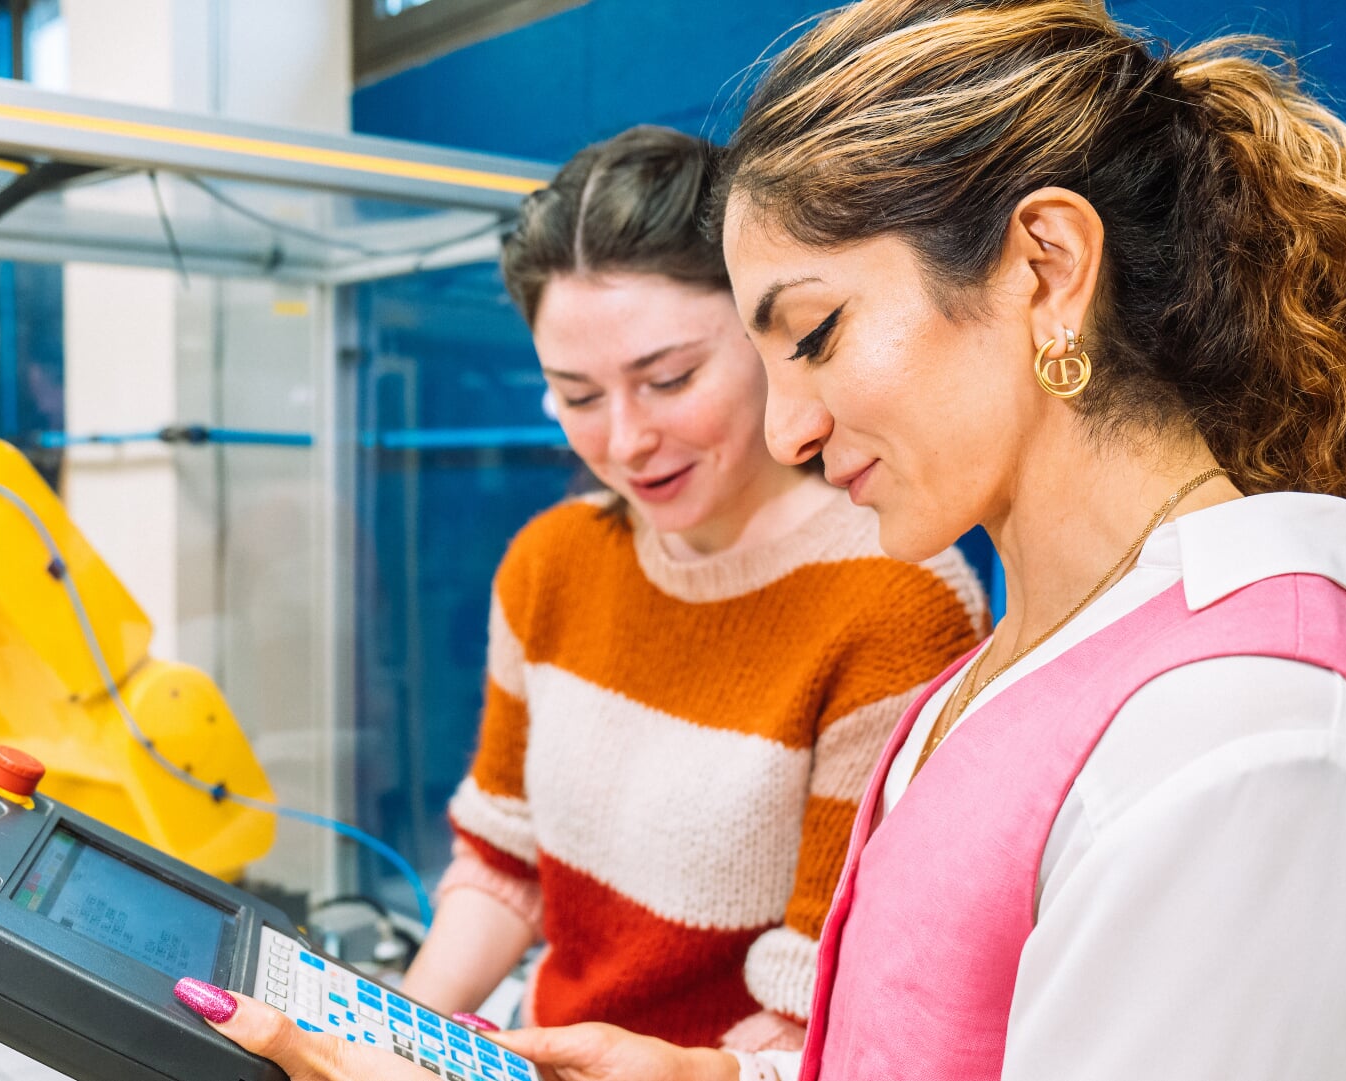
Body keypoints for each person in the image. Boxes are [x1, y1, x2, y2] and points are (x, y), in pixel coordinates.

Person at [173, 1, 1346, 1078]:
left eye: (815, 336)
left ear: (1046, 269)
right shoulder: (1032, 661)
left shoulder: (1254, 747)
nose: (791, 431)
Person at [388, 124, 986, 1053]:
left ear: (769, 339)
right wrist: (385, 1031)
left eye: (668, 379)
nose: (626, 441)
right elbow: (504, 866)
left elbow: (813, 1012)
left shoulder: (895, 600)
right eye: (577, 397)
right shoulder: (551, 562)